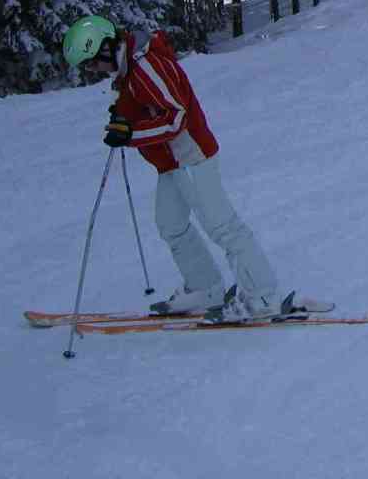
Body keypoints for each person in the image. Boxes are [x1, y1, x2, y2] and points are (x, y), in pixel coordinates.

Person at [61, 16, 314, 323]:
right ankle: (205, 288)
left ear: (101, 48)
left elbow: (175, 117)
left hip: (191, 155)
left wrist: (131, 134)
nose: (92, 72)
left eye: (90, 64)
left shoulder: (145, 66)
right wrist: (122, 119)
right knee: (170, 224)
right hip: (171, 162)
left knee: (222, 226)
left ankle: (263, 296)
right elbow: (141, 105)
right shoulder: (128, 69)